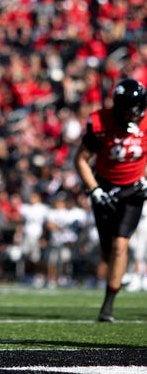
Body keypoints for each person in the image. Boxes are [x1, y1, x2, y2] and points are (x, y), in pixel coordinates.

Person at [74, 77, 147, 322]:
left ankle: (108, 306)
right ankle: (115, 280)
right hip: (104, 188)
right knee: (107, 251)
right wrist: (94, 190)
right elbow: (81, 159)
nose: (136, 116)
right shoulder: (101, 122)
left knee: (120, 244)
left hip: (133, 190)